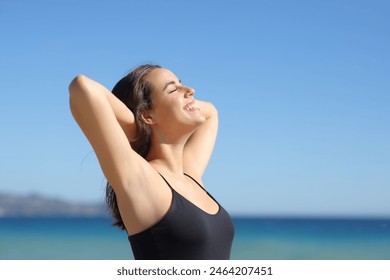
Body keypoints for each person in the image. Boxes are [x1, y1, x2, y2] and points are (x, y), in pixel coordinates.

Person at [69, 64, 234, 259]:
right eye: (173, 89)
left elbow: (210, 113)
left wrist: (149, 122)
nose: (190, 91)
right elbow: (82, 88)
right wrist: (138, 126)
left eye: (182, 84)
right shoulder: (142, 180)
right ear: (147, 115)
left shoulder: (189, 174)